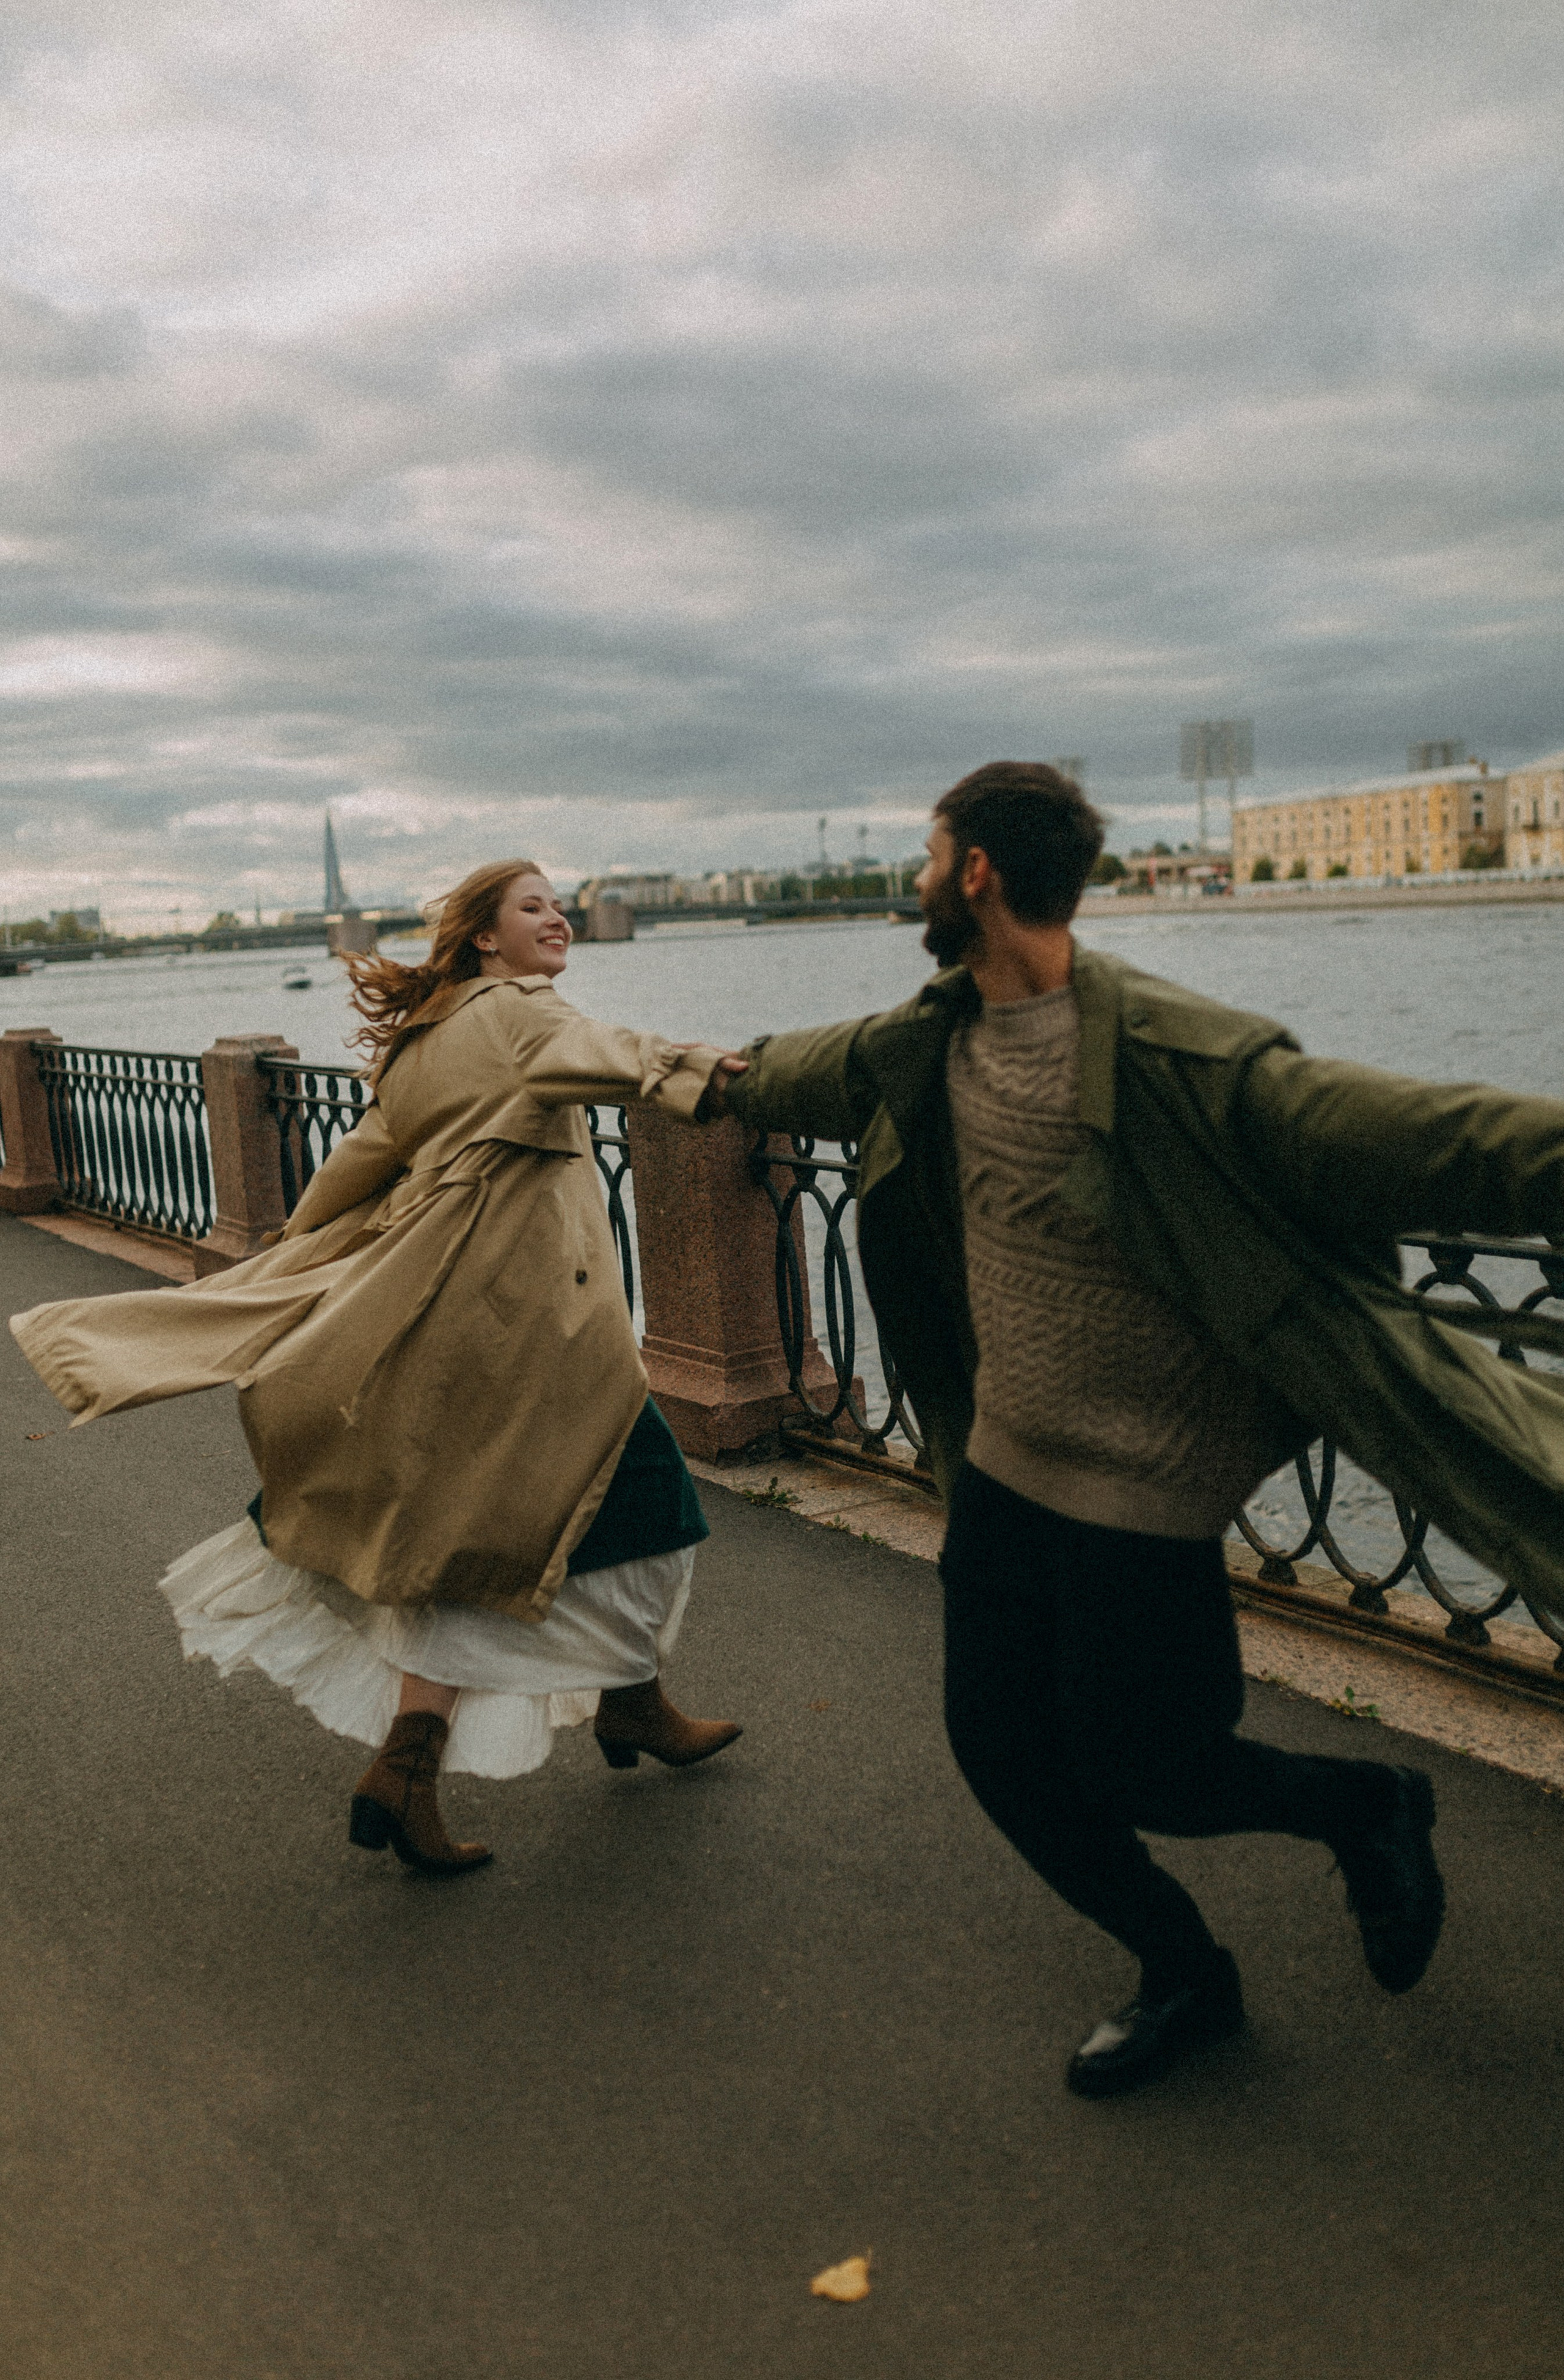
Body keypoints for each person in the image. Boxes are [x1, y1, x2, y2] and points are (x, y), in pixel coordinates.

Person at [721, 761, 1564, 2098]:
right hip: (1000, 1478)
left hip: (1139, 1500)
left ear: (977, 872)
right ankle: (1183, 1969)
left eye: (931, 855)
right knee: (1001, 1757)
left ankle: (1366, 1809)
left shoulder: (1179, 1058)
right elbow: (801, 1072)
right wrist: (682, 1077)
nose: (921, 877)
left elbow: (1430, 1139)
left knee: (1157, 1771)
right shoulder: (926, 1038)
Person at [12, 860, 748, 1876]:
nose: (558, 919)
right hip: (535, 1330)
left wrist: (293, 1256)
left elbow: (360, 1157)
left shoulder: (426, 1039)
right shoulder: (515, 1011)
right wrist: (699, 1070)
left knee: (470, 1535)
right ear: (486, 938)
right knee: (653, 1510)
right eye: (532, 907)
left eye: (559, 905)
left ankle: (502, 1741)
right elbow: (594, 1049)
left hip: (450, 1317)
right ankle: (590, 1715)